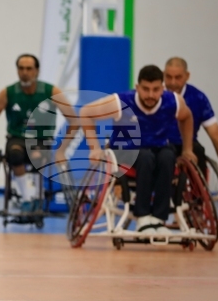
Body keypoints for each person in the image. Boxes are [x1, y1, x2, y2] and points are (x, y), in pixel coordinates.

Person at [76, 65, 197, 235]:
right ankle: (142, 216)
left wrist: (188, 149)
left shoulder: (173, 102)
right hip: (125, 149)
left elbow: (187, 117)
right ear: (137, 87)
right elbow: (85, 113)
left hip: (158, 147)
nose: (150, 95)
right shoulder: (121, 102)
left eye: (155, 90)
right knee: (145, 157)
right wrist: (94, 148)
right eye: (145, 89)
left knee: (168, 157)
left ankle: (158, 219)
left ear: (162, 89)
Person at [0, 54, 65, 213]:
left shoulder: (51, 91)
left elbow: (73, 119)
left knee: (37, 153)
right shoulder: (8, 93)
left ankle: (37, 196)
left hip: (41, 138)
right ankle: (27, 198)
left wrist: (62, 150)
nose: (25, 72)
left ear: (37, 71)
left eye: (29, 68)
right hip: (17, 138)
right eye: (21, 68)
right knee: (15, 154)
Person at [163, 57, 218, 172]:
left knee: (198, 151)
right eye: (169, 77)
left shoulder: (198, 98)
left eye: (178, 77)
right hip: (162, 144)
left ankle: (200, 188)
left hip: (188, 144)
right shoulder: (155, 96)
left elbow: (216, 136)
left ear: (187, 76)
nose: (173, 82)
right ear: (163, 74)